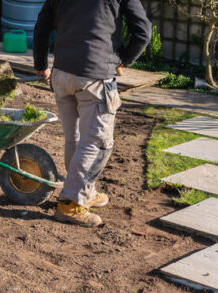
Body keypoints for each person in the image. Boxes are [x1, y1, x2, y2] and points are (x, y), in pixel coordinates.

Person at [33, 0, 152, 227]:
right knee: (96, 143)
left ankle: (86, 191)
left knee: (75, 139)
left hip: (62, 74)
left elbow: (42, 26)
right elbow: (143, 33)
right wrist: (123, 59)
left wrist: (41, 65)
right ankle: (70, 204)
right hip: (94, 78)